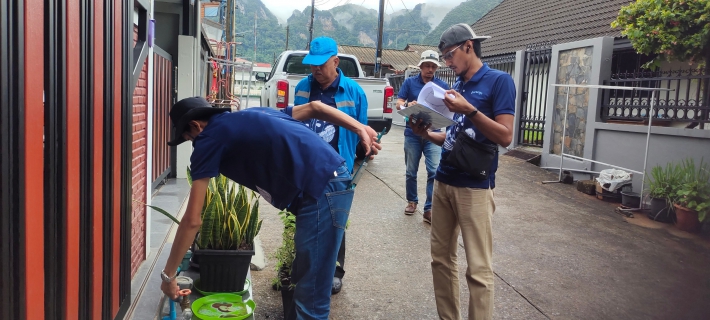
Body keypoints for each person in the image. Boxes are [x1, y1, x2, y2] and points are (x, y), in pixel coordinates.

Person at [158, 97, 381, 320]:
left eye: (188, 138)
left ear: (196, 125)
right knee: (305, 282)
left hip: (321, 188)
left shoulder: (207, 138)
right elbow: (315, 108)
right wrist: (360, 127)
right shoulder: (255, 114)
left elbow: (192, 220)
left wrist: (168, 276)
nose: (193, 143)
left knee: (311, 294)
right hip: (329, 181)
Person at [409, 23, 515, 319]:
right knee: (441, 259)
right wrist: (426, 133)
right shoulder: (458, 87)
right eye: (444, 57)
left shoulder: (499, 81)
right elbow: (454, 136)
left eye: (449, 55)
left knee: (479, 268)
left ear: (469, 46)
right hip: (444, 179)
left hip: (475, 188)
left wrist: (470, 110)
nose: (446, 63)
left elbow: (505, 136)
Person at [292, 36, 369, 295]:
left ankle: (335, 271)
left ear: (335, 61)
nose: (315, 69)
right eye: (312, 64)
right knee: (304, 218)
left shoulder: (354, 92)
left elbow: (362, 132)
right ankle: (304, 268)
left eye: (321, 64)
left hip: (338, 169)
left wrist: (363, 154)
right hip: (307, 167)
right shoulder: (303, 87)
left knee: (336, 222)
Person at [396, 50, 450, 223]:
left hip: (433, 134)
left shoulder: (442, 86)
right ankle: (412, 202)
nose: (430, 69)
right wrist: (407, 104)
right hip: (412, 133)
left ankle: (429, 209)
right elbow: (398, 104)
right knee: (411, 171)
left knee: (434, 171)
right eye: (427, 65)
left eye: (433, 66)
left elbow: (448, 109)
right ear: (420, 66)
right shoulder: (410, 83)